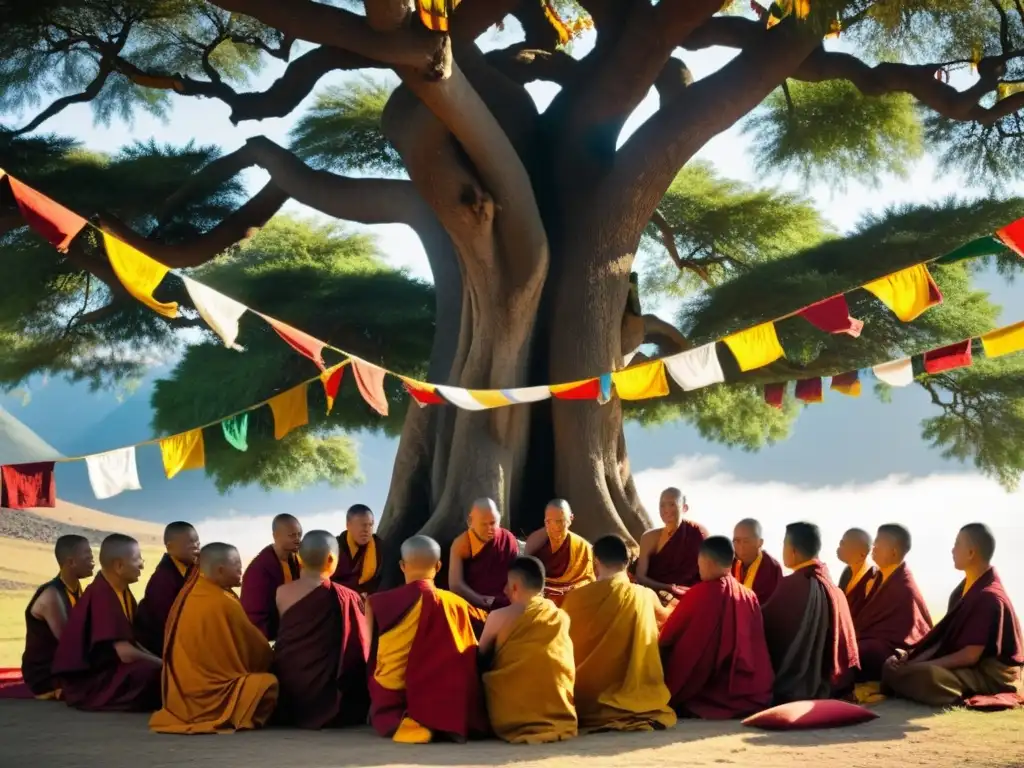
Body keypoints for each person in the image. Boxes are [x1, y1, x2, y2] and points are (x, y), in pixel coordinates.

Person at [883, 523, 1023, 707]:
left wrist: (921, 666)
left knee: (928, 675)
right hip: (969, 668)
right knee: (892, 665)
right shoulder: (962, 591)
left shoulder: (989, 597)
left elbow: (970, 655)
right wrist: (911, 659)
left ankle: (943, 691)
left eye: (957, 544)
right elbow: (945, 641)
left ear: (971, 552)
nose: (952, 550)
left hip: (990, 675)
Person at [366, 535, 489, 743]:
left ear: (402, 566)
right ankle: (444, 720)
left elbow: (370, 654)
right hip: (449, 696)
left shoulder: (376, 602)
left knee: (380, 678)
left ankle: (405, 720)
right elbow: (488, 625)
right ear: (439, 566)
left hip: (396, 693)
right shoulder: (456, 603)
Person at [149, 543, 278, 733]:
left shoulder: (191, 593)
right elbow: (256, 649)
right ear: (220, 570)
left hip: (181, 698)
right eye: (236, 564)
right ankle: (232, 715)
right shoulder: (223, 602)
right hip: (212, 696)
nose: (241, 569)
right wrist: (273, 652)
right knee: (268, 683)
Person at [561, 535, 677, 733]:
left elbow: (562, 642)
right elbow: (667, 621)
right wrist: (674, 602)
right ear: (628, 561)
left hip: (585, 699)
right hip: (636, 695)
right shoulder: (644, 595)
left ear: (596, 561)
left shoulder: (575, 598)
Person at [659, 536, 774, 719]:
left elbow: (667, 636)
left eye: (699, 563)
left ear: (706, 561)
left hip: (707, 693)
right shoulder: (749, 595)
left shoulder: (701, 593)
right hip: (751, 692)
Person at [51, 534, 162, 711]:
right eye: (137, 559)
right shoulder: (102, 594)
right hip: (90, 681)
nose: (142, 564)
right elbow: (125, 652)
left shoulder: (121, 591)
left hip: (111, 668)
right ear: (119, 566)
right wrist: (163, 664)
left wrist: (161, 659)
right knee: (150, 673)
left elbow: (133, 641)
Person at [274, 530, 370, 729]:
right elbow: (360, 647)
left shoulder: (282, 592)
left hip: (290, 694)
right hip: (329, 696)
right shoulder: (348, 596)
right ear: (331, 559)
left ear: (299, 559)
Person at [478, 556, 577, 743]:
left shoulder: (499, 616)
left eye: (507, 585)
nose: (504, 590)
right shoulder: (561, 616)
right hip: (560, 711)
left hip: (511, 718)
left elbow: (480, 658)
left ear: (515, 587)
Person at [761, 522, 859, 702]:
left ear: (792, 551)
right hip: (837, 682)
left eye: (784, 545)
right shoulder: (834, 588)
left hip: (800, 685)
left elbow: (765, 627)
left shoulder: (793, 585)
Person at [854, 524, 932, 681]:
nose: (873, 548)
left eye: (878, 544)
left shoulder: (903, 586)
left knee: (859, 651)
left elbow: (910, 636)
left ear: (894, 552)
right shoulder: (879, 577)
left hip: (892, 651)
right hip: (872, 640)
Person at [21, 535, 95, 698]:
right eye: (87, 555)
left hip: (66, 665)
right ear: (71, 562)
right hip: (46, 673)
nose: (92, 560)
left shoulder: (77, 589)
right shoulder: (52, 595)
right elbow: (69, 642)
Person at [135, 521, 200, 656]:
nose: (196, 547)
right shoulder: (162, 579)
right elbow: (163, 622)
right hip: (161, 645)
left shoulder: (193, 569)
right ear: (170, 547)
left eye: (197, 542)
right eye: (190, 543)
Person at [635, 488, 707, 603]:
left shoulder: (698, 533)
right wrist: (668, 587)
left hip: (691, 597)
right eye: (662, 505)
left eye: (672, 504)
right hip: (657, 597)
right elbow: (640, 577)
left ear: (684, 508)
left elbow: (708, 574)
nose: (666, 510)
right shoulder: (649, 538)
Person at [449, 498, 520, 610]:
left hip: (504, 601)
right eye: (483, 524)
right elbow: (455, 584)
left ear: (499, 520)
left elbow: (516, 572)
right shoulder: (462, 543)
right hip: (473, 602)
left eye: (492, 523)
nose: (489, 528)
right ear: (470, 522)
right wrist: (481, 600)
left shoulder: (507, 538)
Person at [240, 513, 302, 640]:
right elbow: (254, 614)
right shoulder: (260, 569)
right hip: (272, 636)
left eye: (299, 535)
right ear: (276, 536)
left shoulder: (296, 560)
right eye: (292, 535)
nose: (297, 539)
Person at [523, 499, 594, 606]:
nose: (555, 526)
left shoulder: (582, 546)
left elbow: (589, 580)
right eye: (549, 521)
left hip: (571, 599)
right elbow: (526, 575)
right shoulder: (536, 542)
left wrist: (567, 590)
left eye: (560, 521)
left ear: (571, 519)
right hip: (542, 598)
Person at [332, 504, 384, 595]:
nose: (367, 530)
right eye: (363, 525)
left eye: (370, 525)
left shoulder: (380, 548)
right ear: (348, 525)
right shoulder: (334, 548)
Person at [731, 518, 783, 605]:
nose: (741, 546)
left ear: (760, 542)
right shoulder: (729, 564)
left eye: (746, 541)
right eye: (737, 541)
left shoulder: (771, 568)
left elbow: (774, 605)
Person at [837, 528, 877, 620]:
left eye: (844, 545)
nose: (839, 547)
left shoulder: (873, 578)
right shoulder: (847, 572)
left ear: (862, 555)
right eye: (841, 543)